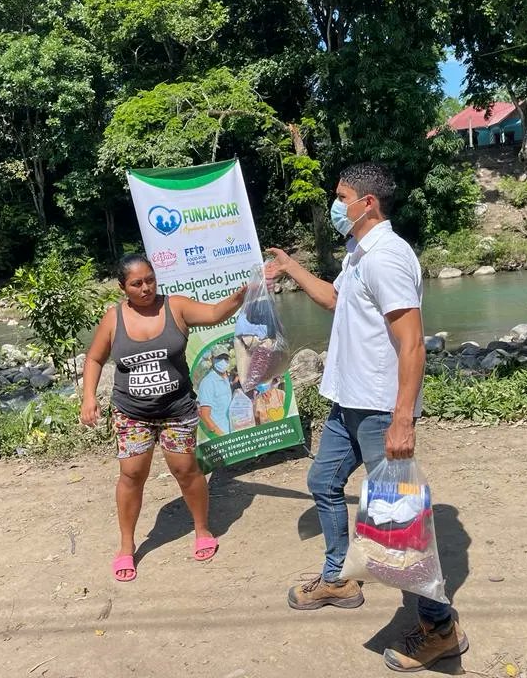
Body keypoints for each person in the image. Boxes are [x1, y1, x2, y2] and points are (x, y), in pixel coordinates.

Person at [266, 162, 468, 672]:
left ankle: (440, 627)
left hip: (380, 410)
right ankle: (338, 578)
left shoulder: (389, 258)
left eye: (341, 196)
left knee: (400, 520)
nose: (337, 204)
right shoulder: (360, 253)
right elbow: (337, 300)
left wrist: (404, 419)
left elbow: (412, 343)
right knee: (323, 481)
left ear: (367, 203)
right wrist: (291, 267)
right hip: (347, 403)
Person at [80, 253, 245, 582]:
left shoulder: (176, 307)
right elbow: (95, 358)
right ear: (122, 287)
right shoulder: (113, 319)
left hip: (177, 409)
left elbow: (213, 314)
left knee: (186, 470)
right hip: (132, 413)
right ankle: (127, 546)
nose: (145, 288)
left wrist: (241, 296)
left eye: (150, 280)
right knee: (131, 474)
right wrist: (88, 398)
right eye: (136, 283)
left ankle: (201, 529)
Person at [197, 348, 234, 436]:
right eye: (219, 358)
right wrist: (221, 436)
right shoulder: (208, 382)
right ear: (212, 359)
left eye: (225, 358)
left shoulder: (225, 379)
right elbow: (205, 416)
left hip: (231, 430)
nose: (223, 361)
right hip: (221, 435)